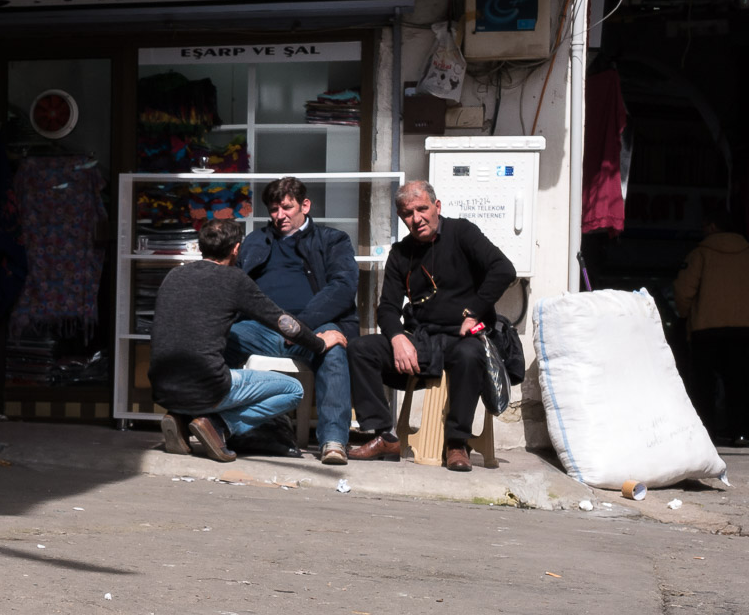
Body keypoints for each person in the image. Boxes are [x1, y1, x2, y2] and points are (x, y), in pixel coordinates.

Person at [347, 180, 516, 472]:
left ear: (437, 207)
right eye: (408, 214)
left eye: (422, 209)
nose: (417, 219)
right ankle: (383, 435)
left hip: (462, 338)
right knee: (361, 348)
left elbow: (504, 269)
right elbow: (386, 307)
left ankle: (456, 442)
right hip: (422, 340)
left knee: (468, 355)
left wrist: (474, 313)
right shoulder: (401, 253)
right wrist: (398, 337)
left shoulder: (462, 232)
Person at [149, 217, 339, 463]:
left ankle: (181, 419)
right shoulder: (234, 280)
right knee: (293, 390)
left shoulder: (174, 276)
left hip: (161, 389)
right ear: (236, 249)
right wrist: (321, 343)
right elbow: (284, 324)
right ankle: (218, 426)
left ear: (200, 247)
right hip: (208, 390)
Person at [226, 176, 359, 466]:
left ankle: (333, 441)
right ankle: (215, 421)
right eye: (274, 210)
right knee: (221, 338)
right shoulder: (256, 240)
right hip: (261, 327)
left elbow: (342, 287)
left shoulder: (333, 240)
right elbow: (236, 284)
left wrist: (300, 326)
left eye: (286, 207)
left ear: (305, 205)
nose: (279, 216)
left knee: (333, 348)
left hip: (313, 326)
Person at [673, 204, 749, 445]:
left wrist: (687, 313)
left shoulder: (700, 255)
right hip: (742, 329)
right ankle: (739, 430)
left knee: (703, 385)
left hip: (705, 328)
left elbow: (683, 290)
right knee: (738, 382)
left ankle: (705, 433)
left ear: (712, 227)